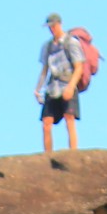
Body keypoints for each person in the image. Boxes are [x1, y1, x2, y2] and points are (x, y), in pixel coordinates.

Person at [35, 13, 82, 153]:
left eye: (53, 26)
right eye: (49, 27)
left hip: (67, 83)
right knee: (46, 122)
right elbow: (44, 69)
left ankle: (73, 153)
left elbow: (79, 67)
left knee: (69, 119)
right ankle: (48, 155)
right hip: (52, 87)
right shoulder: (47, 46)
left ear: (59, 24)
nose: (52, 29)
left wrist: (71, 87)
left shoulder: (71, 43)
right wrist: (38, 89)